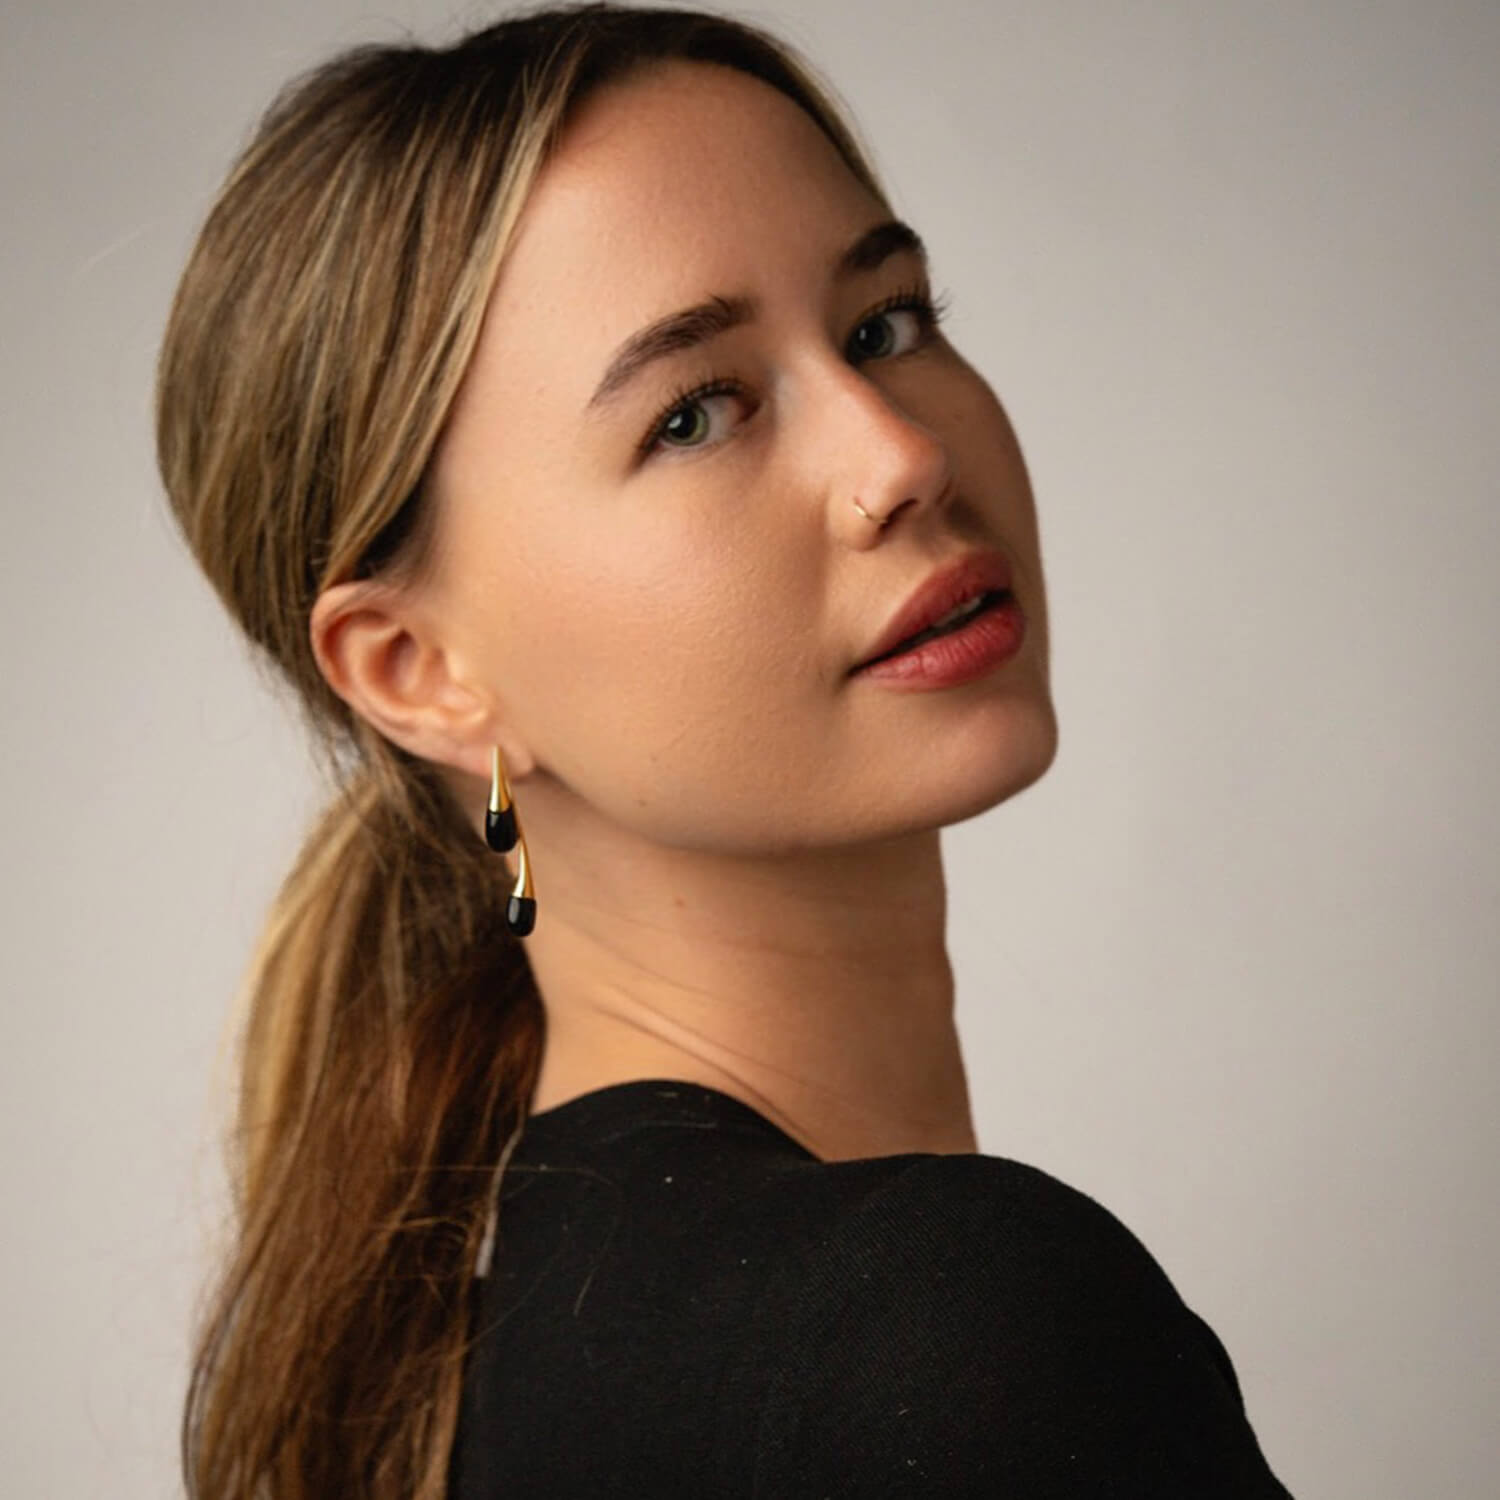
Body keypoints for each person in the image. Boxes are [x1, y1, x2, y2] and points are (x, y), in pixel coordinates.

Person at [155, 3, 1295, 1496]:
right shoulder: (949, 1341)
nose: (902, 456)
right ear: (423, 671)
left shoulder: (513, 1336)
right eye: (695, 414)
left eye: (886, 324)